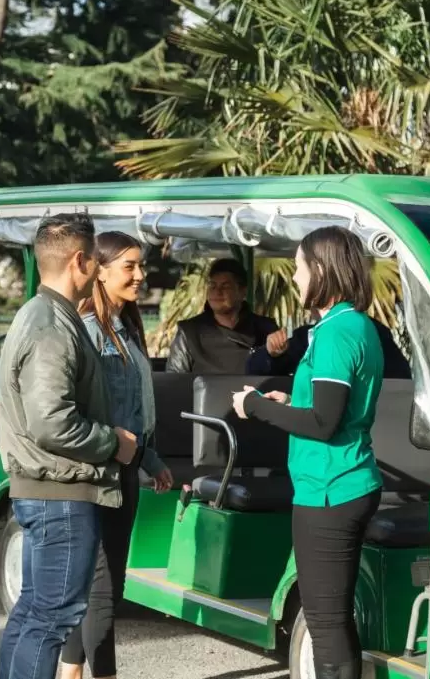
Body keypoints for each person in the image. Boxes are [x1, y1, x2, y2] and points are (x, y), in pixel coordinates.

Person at [231, 226, 385, 679]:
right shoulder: (352, 325)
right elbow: (329, 408)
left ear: (321, 269)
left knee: (326, 621)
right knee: (332, 617)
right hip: (345, 481)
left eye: (298, 268)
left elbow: (324, 423)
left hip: (330, 489)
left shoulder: (337, 332)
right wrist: (288, 404)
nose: (294, 278)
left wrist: (255, 405)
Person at [0, 213, 139, 679]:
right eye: (97, 261)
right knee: (52, 618)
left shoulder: (44, 315)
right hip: (60, 492)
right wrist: (111, 442)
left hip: (47, 487)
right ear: (80, 260)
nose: (100, 270)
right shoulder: (52, 326)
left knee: (34, 612)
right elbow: (52, 422)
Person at [61, 231, 174, 679]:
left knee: (93, 589)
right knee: (104, 589)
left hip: (124, 469)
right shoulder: (88, 330)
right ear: (100, 271)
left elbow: (130, 409)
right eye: (130, 266)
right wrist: (129, 452)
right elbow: (82, 411)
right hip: (99, 474)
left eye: (141, 265)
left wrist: (150, 459)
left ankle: (68, 674)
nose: (140, 275)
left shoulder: (124, 328)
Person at [166, 257, 278, 374]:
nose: (217, 292)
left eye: (225, 286)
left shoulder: (266, 329)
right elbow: (175, 382)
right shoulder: (189, 332)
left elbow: (283, 375)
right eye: (212, 286)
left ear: (242, 291)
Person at [246, 310, 411, 379]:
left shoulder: (372, 331)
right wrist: (271, 354)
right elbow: (255, 371)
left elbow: (398, 380)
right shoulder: (306, 336)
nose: (296, 279)